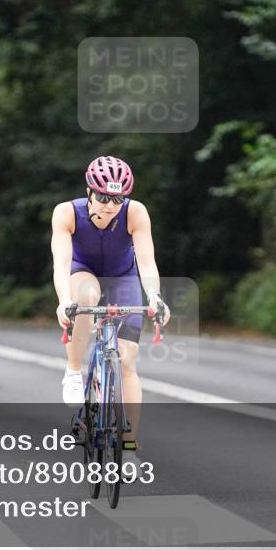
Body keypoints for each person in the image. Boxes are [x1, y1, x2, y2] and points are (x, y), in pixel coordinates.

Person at [50, 155, 169, 475]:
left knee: (128, 361)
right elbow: (61, 263)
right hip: (82, 273)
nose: (109, 205)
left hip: (123, 280)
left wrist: (156, 297)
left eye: (117, 198)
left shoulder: (136, 212)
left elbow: (146, 262)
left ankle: (128, 447)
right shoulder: (66, 213)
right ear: (89, 191)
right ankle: (74, 370)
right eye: (103, 197)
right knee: (85, 296)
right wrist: (64, 300)